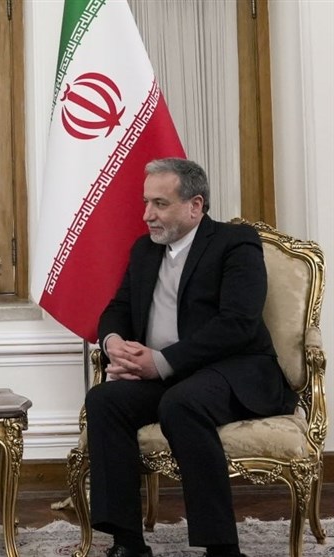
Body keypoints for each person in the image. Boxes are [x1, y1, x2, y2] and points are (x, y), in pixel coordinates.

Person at [85, 158, 297, 557]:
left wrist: (161, 361)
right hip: (169, 376)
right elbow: (119, 308)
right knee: (104, 400)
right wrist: (113, 342)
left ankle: (222, 549)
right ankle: (127, 542)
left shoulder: (236, 243)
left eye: (160, 204)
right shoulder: (145, 250)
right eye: (146, 202)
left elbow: (237, 324)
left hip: (233, 371)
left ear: (195, 205)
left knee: (181, 403)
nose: (147, 215)